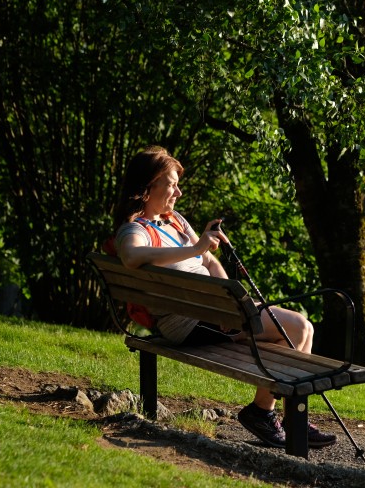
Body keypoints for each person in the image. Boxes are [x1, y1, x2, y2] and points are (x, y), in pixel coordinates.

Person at [111, 145, 336, 449]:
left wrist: (231, 298)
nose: (177, 193)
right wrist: (196, 249)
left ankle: (275, 415)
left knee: (297, 332)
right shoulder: (134, 229)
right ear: (148, 187)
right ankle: (268, 414)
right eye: (172, 184)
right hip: (189, 324)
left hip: (212, 311)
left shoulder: (174, 220)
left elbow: (210, 261)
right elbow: (130, 256)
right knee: (299, 329)